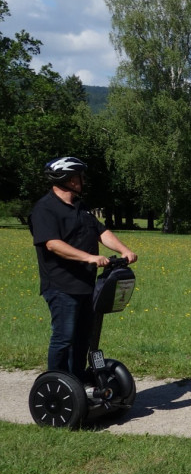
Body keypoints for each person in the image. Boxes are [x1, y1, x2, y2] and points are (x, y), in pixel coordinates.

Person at [30, 157, 138, 379]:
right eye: (79, 176)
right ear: (67, 179)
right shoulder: (45, 209)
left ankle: (76, 380)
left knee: (84, 337)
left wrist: (124, 250)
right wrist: (88, 257)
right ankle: (56, 383)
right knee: (64, 337)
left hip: (86, 285)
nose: (82, 180)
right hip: (61, 285)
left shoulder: (81, 207)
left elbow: (101, 232)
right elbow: (52, 243)